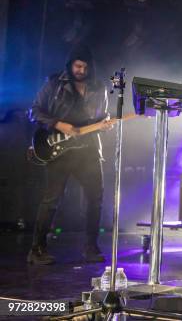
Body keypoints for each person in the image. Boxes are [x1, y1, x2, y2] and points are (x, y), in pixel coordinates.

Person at [28, 44, 111, 265]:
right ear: (70, 64)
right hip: (59, 149)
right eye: (77, 65)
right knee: (51, 200)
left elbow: (102, 116)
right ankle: (37, 250)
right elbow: (34, 111)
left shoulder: (99, 88)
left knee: (95, 199)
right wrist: (58, 124)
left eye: (84, 66)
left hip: (89, 150)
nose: (81, 70)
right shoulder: (54, 83)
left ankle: (91, 248)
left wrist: (103, 125)